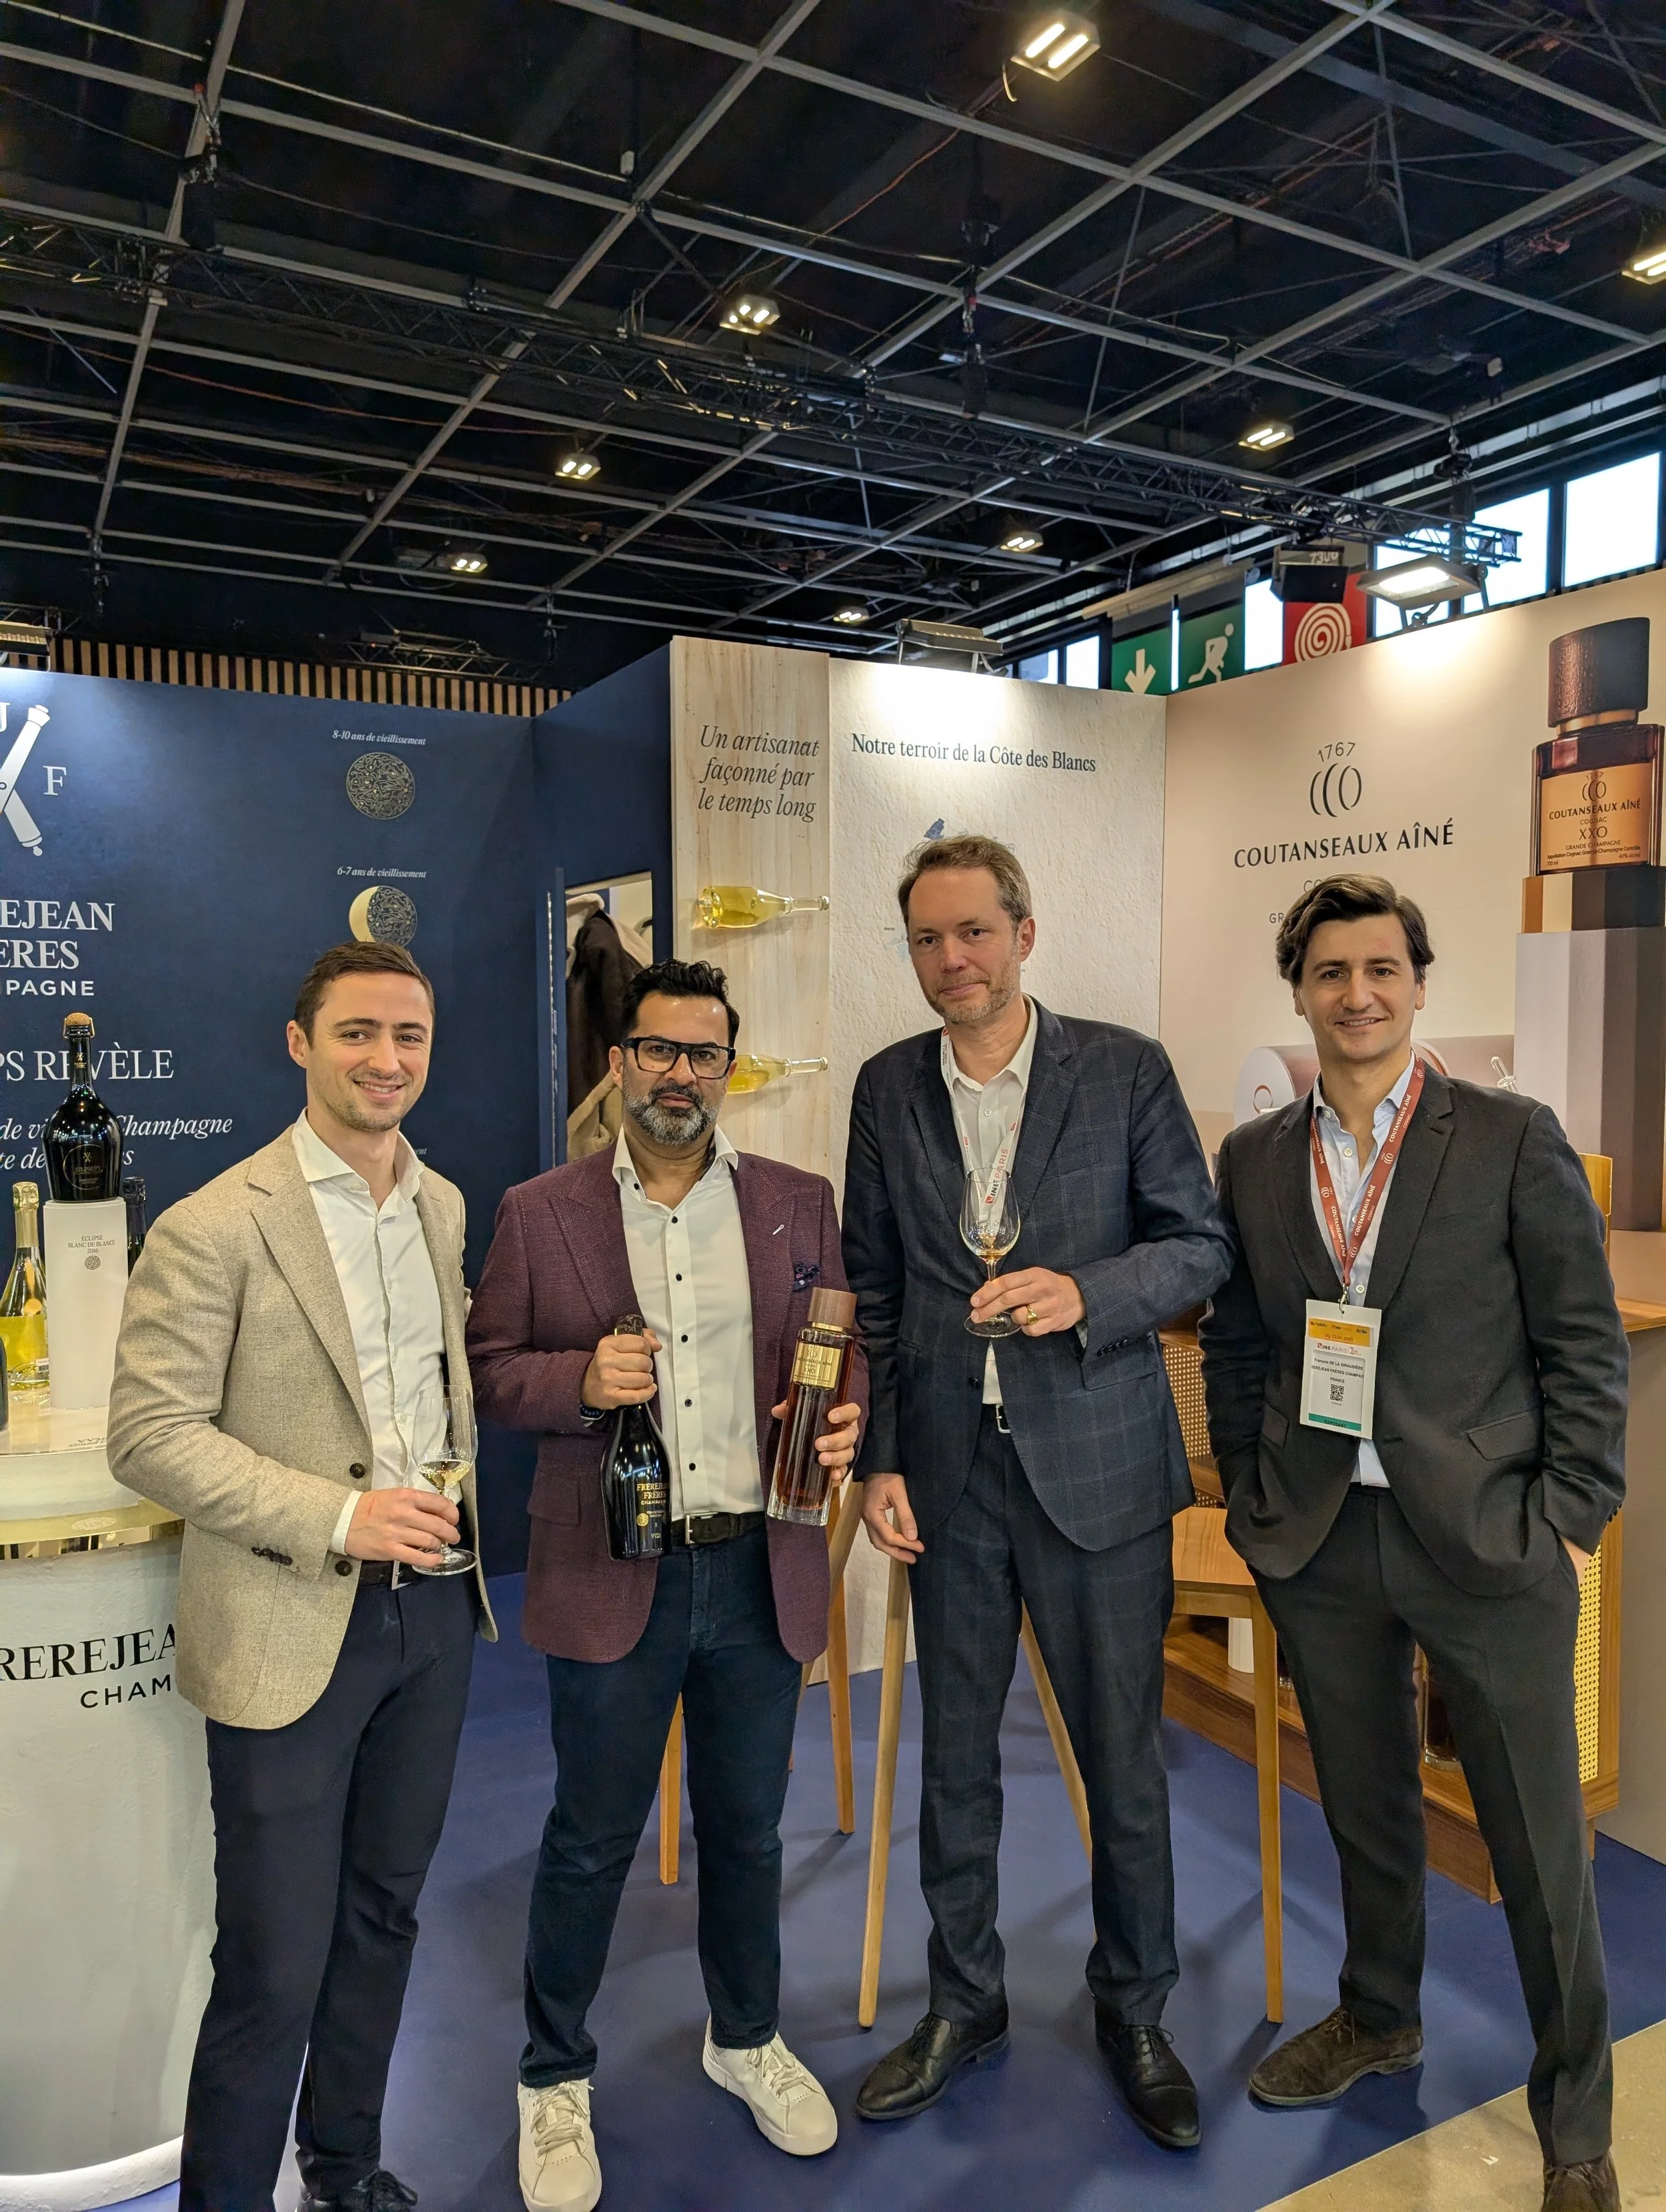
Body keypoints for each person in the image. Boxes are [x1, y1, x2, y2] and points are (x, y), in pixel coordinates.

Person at [1199, 873, 1625, 2212]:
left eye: (1380, 967)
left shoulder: (1505, 1135)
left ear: (1417, 983)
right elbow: (1237, 1339)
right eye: (1330, 972)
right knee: (1366, 1806)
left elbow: (1581, 1340)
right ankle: (1377, 2011)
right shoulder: (1256, 1159)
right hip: (1321, 1536)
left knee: (1535, 1843)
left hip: (1482, 1536)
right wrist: (1253, 1502)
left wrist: (1566, 1517)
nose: (1357, 993)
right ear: (1299, 992)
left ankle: (1575, 2121)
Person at [842, 834, 1232, 2147]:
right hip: (949, 1475)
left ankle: (1134, 2004)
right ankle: (964, 1998)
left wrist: (1088, 1294)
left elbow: (1197, 1246)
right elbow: (879, 1287)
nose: (950, 961)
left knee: (1122, 1762)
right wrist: (884, 1455)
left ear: (1021, 931)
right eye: (926, 941)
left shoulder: (1121, 1068)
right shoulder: (886, 1087)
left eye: (971, 933)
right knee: (954, 1764)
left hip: (1100, 1470)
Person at [467, 957, 866, 2212]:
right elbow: (489, 1369)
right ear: (620, 1063)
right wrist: (579, 1384)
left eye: (703, 1054)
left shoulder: (801, 1205)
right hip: (612, 1564)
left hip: (760, 1564)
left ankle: (743, 2037)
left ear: (728, 1069)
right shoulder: (543, 1211)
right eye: (656, 1051)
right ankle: (554, 2074)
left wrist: (848, 1419)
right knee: (591, 1839)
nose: (679, 1075)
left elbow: (843, 1356)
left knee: (748, 1830)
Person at [107, 940, 492, 2212]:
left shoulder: (439, 1203)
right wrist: (339, 1515)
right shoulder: (214, 1225)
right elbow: (150, 1436)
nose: (388, 1061)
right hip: (285, 1628)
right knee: (273, 1963)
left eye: (411, 1038)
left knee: (384, 1920)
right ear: (300, 1043)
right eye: (358, 1034)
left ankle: (344, 2165)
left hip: (432, 1618)